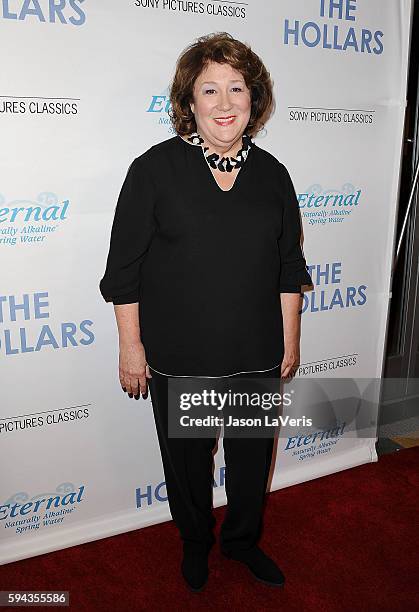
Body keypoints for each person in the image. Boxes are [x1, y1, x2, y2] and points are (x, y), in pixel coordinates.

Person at [99, 32, 313, 592]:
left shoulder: (274, 176)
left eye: (236, 88)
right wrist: (132, 346)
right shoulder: (153, 170)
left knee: (249, 467)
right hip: (181, 357)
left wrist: (288, 340)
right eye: (209, 89)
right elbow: (124, 271)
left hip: (255, 353)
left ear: (254, 98)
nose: (224, 103)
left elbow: (289, 267)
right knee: (189, 469)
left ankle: (241, 542)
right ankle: (195, 541)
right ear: (188, 103)